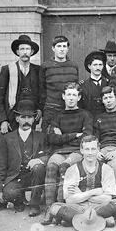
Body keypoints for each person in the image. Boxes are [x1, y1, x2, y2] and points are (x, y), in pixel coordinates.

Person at [41, 135, 116, 228]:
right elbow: (69, 200)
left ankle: (76, 219)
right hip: (78, 207)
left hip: (99, 206)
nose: (90, 153)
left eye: (93, 149)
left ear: (98, 150)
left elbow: (107, 199)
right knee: (55, 208)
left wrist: (81, 194)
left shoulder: (106, 169)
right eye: (87, 149)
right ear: (81, 150)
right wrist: (94, 192)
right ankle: (99, 218)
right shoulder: (72, 170)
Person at [0, 100, 48, 216]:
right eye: (23, 117)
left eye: (29, 117)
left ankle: (34, 205)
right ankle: (19, 201)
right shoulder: (7, 138)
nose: (26, 121)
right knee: (8, 193)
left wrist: (38, 160)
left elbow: (48, 155)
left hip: (33, 177)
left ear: (34, 119)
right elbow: (0, 166)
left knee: (39, 168)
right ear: (17, 119)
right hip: (15, 177)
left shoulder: (41, 137)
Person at [43, 82, 93, 214]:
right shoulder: (57, 116)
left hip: (76, 151)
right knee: (52, 165)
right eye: (68, 94)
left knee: (65, 166)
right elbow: (52, 138)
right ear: (63, 96)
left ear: (79, 97)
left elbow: (86, 137)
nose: (71, 98)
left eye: (74, 95)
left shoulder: (85, 115)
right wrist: (74, 134)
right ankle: (49, 209)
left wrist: (64, 136)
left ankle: (61, 207)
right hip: (59, 151)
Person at [0, 35, 41, 133]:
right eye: (22, 49)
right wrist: (2, 120)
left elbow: (42, 93)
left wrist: (40, 110)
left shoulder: (38, 70)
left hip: (31, 117)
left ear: (32, 52)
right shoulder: (7, 69)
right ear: (17, 52)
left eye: (27, 49)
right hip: (11, 117)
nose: (25, 52)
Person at [39, 35, 79, 132]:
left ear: (68, 49)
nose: (62, 49)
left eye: (64, 46)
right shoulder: (46, 66)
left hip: (69, 110)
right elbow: (41, 89)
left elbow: (76, 88)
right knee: (49, 138)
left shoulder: (73, 66)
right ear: (53, 48)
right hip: (51, 110)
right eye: (59, 46)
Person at [79, 51, 110, 122]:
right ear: (89, 66)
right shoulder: (83, 86)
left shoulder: (109, 83)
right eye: (95, 65)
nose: (98, 68)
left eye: (100, 65)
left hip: (106, 120)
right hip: (89, 121)